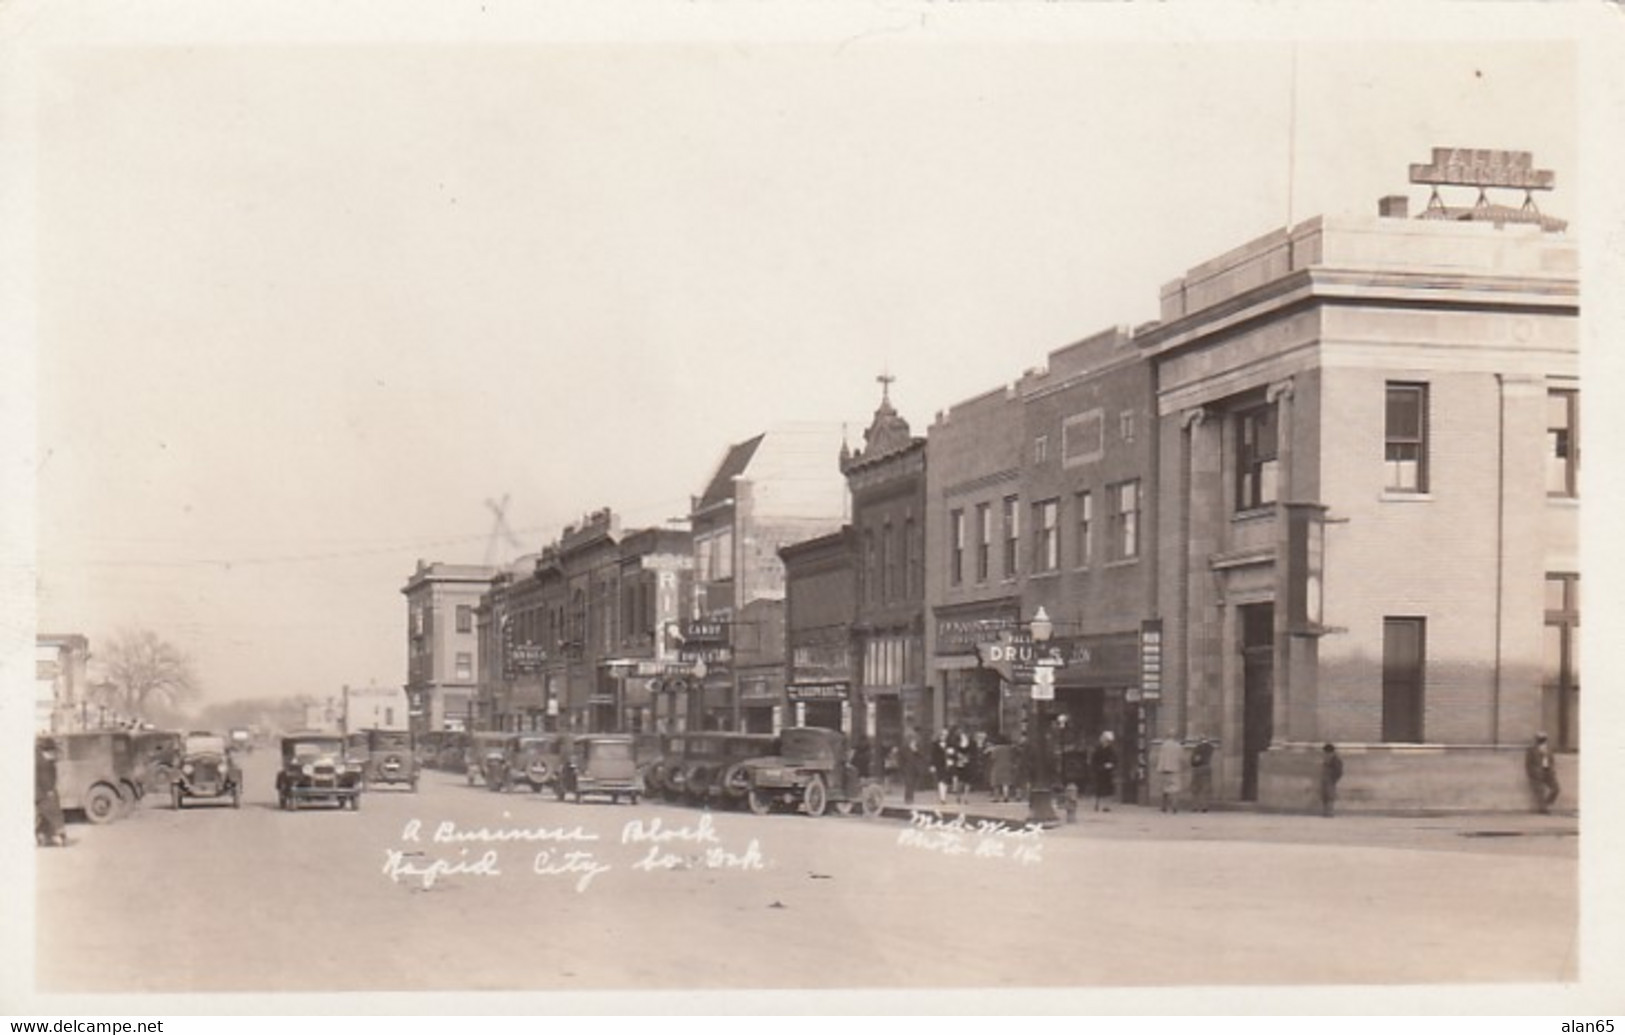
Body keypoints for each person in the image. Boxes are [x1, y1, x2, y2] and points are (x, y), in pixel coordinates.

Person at [35, 737, 67, 848]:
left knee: (47, 815)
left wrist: (51, 789)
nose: (53, 753)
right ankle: (56, 835)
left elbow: (51, 776)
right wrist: (46, 791)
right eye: (52, 750)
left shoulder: (47, 760)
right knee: (50, 813)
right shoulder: (38, 761)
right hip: (41, 794)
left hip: (48, 792)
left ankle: (45, 836)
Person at [1525, 732, 1560, 814]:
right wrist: (1532, 773)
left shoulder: (1548, 749)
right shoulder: (1531, 750)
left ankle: (1547, 803)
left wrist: (1552, 769)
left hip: (1548, 771)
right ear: (1537, 740)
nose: (1542, 741)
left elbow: (1552, 760)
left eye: (1544, 739)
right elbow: (1528, 764)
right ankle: (1543, 809)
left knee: (1556, 789)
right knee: (1540, 791)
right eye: (1540, 739)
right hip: (1537, 772)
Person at [1156, 733, 1184, 814]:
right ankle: (1174, 807)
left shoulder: (1164, 745)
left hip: (1165, 769)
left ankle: (1164, 807)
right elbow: (1181, 758)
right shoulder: (1178, 746)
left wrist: (1159, 769)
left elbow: (1161, 757)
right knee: (1175, 789)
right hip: (1175, 769)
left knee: (1165, 789)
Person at [1092, 730, 1117, 812]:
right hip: (1099, 770)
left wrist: (1111, 765)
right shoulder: (1098, 749)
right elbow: (1094, 760)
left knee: (1107, 789)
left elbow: (1115, 760)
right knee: (1098, 788)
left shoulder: (1111, 750)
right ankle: (1097, 804)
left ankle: (1106, 805)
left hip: (1107, 772)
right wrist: (1096, 767)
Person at [1189, 736, 1214, 812]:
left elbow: (1195, 760)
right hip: (1207, 767)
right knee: (1205, 788)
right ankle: (1205, 806)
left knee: (1196, 789)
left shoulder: (1198, 748)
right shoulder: (1210, 747)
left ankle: (1195, 806)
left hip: (1199, 768)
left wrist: (1193, 762)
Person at [988, 736, 1015, 802]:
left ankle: (996, 798)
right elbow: (1012, 757)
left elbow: (992, 758)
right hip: (1007, 766)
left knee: (996, 782)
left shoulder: (996, 749)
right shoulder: (1009, 749)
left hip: (997, 766)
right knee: (1006, 783)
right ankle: (1006, 797)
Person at [1319, 743, 1343, 818]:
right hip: (1326, 779)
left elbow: (1339, 771)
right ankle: (1326, 812)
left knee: (1330, 796)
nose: (1325, 754)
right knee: (1325, 796)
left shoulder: (1335, 759)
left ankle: (1329, 812)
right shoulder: (1329, 758)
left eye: (1326, 752)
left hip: (1330, 779)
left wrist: (1333, 779)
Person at [900, 729, 922, 806]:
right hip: (907, 767)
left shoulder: (916, 747)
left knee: (912, 783)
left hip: (914, 767)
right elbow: (901, 758)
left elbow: (921, 756)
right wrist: (902, 767)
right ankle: (908, 798)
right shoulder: (904, 748)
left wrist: (916, 750)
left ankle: (911, 797)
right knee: (908, 783)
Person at [931, 729, 950, 805]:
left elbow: (953, 753)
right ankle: (942, 798)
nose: (944, 737)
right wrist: (932, 765)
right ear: (940, 736)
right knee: (941, 781)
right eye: (942, 735)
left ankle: (944, 796)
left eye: (946, 735)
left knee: (946, 781)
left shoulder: (949, 744)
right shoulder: (935, 744)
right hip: (939, 765)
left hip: (948, 765)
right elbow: (933, 755)